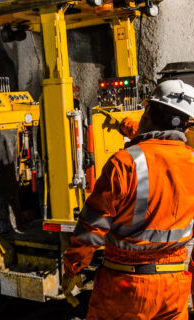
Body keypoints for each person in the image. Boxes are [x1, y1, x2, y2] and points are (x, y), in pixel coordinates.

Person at [62, 79, 194, 320]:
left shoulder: (124, 163)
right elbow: (161, 146)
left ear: (148, 113)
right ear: (185, 127)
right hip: (173, 292)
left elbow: (92, 225)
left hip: (124, 289)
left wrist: (73, 267)